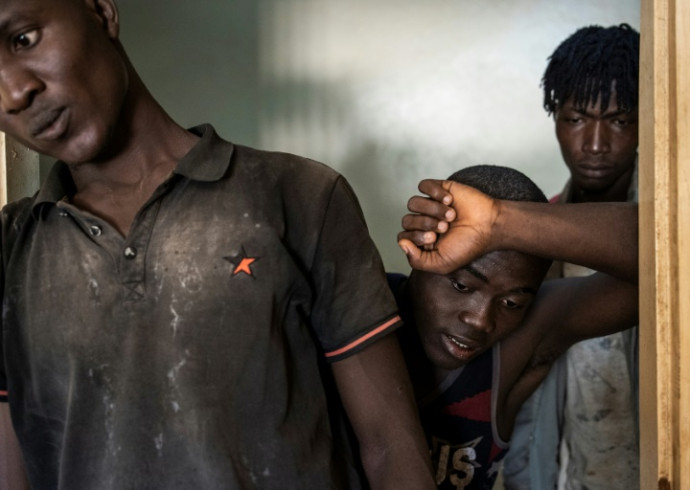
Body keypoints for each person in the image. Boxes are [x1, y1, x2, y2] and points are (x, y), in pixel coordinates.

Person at [0, 1, 435, 488]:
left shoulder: (299, 195)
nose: (15, 92)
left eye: (24, 40)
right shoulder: (12, 249)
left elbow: (389, 445)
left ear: (101, 13)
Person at [391, 164, 638, 489]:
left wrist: (498, 221)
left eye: (512, 304)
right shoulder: (358, 308)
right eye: (462, 286)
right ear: (420, 248)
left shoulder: (512, 351)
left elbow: (669, 252)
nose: (481, 320)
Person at [503, 24, 641, 490]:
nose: (596, 144)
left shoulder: (687, 238)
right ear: (555, 117)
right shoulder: (538, 239)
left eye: (620, 121)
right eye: (577, 118)